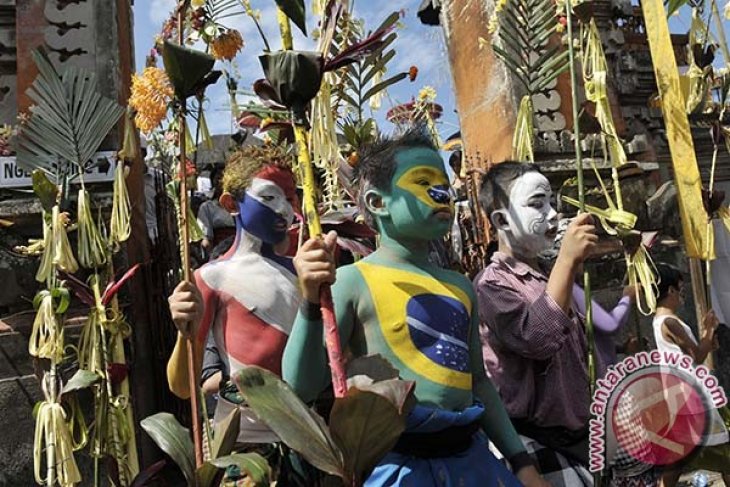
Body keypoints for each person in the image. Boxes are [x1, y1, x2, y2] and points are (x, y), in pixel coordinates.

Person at [284, 128, 547, 487]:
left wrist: (520, 461)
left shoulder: (460, 286)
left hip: (470, 461)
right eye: (423, 182)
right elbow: (302, 385)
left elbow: (479, 383)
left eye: (444, 183)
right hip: (395, 467)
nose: (444, 193)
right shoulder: (351, 281)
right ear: (377, 203)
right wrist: (312, 301)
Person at [166, 146, 317, 485]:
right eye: (269, 197)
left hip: (305, 440)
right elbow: (182, 386)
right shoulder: (210, 277)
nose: (284, 209)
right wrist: (183, 332)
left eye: (290, 199)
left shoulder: (303, 273)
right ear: (231, 205)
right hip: (243, 447)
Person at [474, 161, 601, 485]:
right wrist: (568, 259)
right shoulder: (492, 285)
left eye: (552, 202)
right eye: (537, 203)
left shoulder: (549, 273)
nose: (553, 213)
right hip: (534, 443)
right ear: (502, 220)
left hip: (582, 433)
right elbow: (537, 338)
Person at [651, 263, 730, 487]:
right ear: (671, 291)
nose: (681, 295)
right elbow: (696, 355)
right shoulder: (670, 322)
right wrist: (708, 330)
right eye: (680, 290)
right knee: (724, 455)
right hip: (693, 399)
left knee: (676, 461)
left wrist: (707, 339)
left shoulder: (659, 321)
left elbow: (697, 353)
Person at [197, 166, 236, 254]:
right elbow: (206, 238)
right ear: (213, 182)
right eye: (218, 179)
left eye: (224, 178)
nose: (221, 182)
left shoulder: (239, 205)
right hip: (219, 250)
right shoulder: (207, 207)